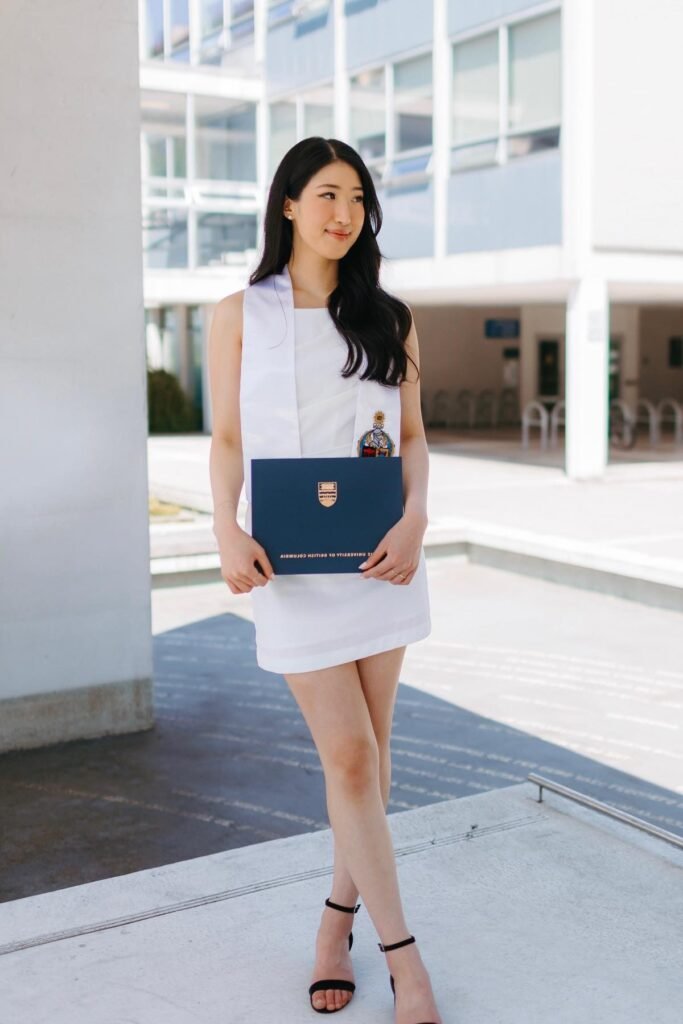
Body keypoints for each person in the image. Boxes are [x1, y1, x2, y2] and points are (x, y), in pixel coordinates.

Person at [207, 136, 442, 1024]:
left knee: (370, 770)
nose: (343, 213)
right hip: (290, 565)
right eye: (326, 194)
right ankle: (404, 956)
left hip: (381, 560)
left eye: (356, 197)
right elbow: (228, 440)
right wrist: (224, 527)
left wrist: (416, 518)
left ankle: (334, 920)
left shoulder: (388, 315)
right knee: (347, 756)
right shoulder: (239, 313)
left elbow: (411, 436)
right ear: (289, 206)